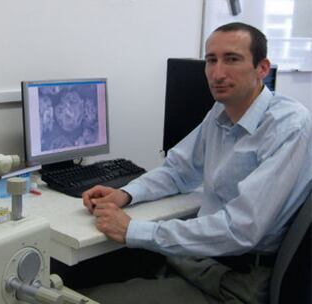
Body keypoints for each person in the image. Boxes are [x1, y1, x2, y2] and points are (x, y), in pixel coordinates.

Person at [80, 22, 312, 304]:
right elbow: (179, 170)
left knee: (86, 298)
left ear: (262, 68)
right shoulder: (220, 112)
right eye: (211, 60)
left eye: (232, 59)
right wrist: (126, 193)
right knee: (82, 273)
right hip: (203, 260)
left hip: (235, 281)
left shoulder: (288, 126)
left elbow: (240, 229)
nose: (217, 73)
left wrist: (133, 230)